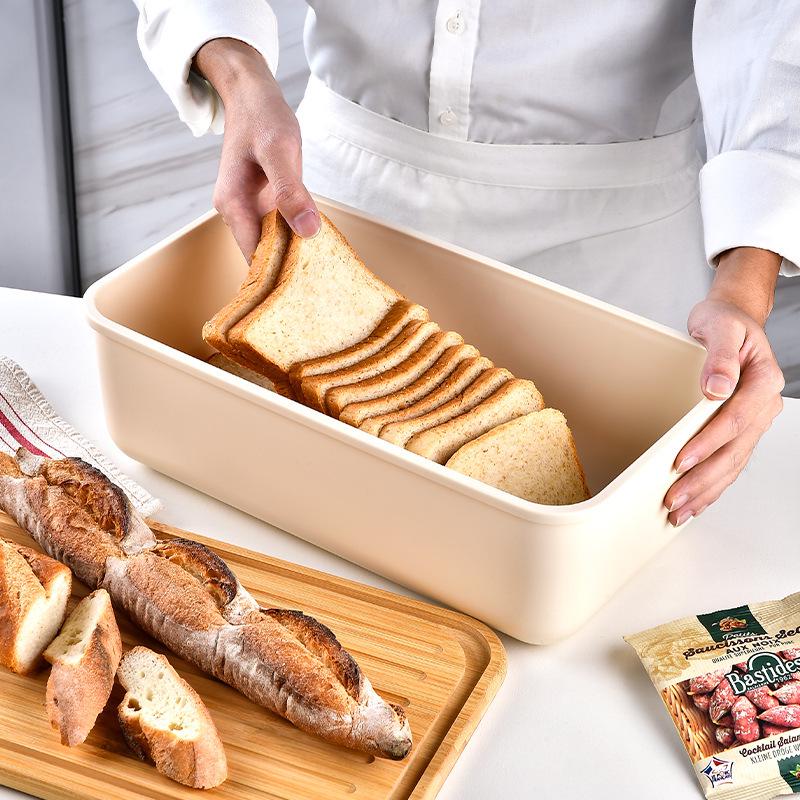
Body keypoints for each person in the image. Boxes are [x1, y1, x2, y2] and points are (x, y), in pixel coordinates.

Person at [133, 1, 795, 525]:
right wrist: (238, 74)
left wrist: (743, 287)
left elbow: (774, 29)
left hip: (616, 243)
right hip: (332, 206)